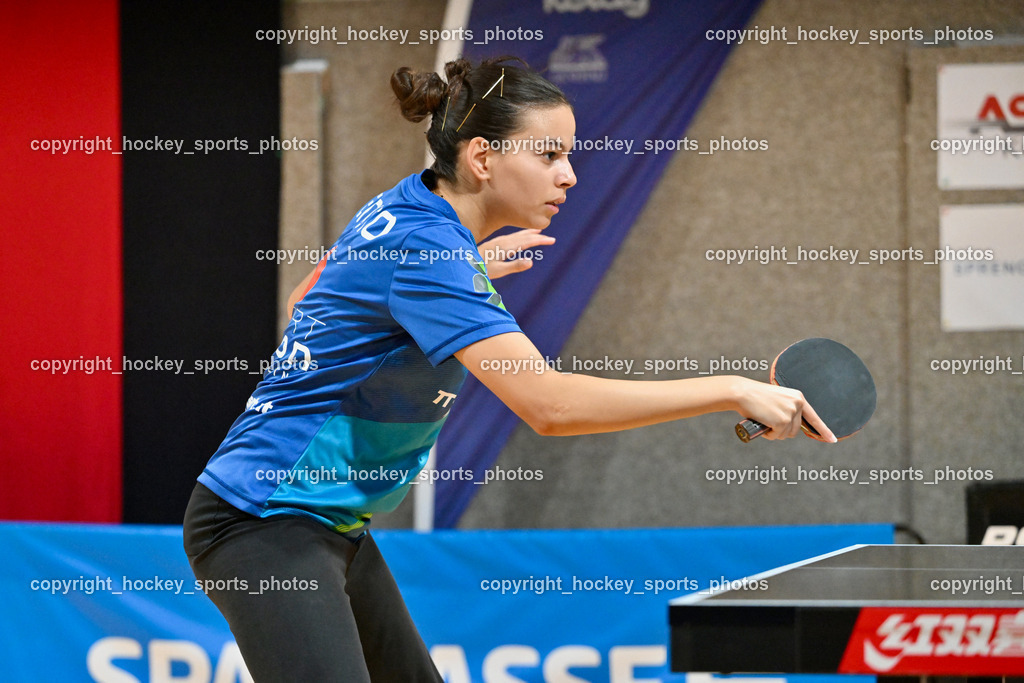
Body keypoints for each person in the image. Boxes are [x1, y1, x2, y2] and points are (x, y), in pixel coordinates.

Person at [183, 55, 834, 682]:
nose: (569, 175)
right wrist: (731, 389)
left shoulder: (406, 206)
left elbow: (306, 297)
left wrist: (448, 282)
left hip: (326, 522)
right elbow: (549, 407)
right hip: (262, 519)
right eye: (549, 155)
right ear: (482, 158)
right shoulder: (430, 251)